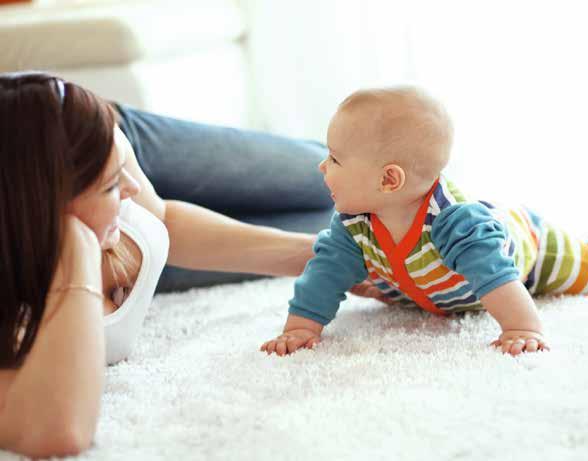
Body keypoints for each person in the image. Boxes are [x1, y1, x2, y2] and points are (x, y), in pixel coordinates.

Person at [0, 72, 381, 458]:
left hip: (70, 132)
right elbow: (56, 431)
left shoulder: (108, 156)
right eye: (112, 186)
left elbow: (162, 220)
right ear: (43, 210)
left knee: (345, 178)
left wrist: (325, 258)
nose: (133, 189)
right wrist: (75, 246)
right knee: (344, 211)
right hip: (39, 180)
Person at [261, 86, 588, 357]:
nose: (321, 166)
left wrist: (522, 329)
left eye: (335, 159)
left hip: (528, 250)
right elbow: (324, 275)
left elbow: (497, 278)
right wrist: (301, 328)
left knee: (584, 273)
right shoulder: (352, 224)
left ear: (389, 180)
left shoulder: (458, 225)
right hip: (431, 291)